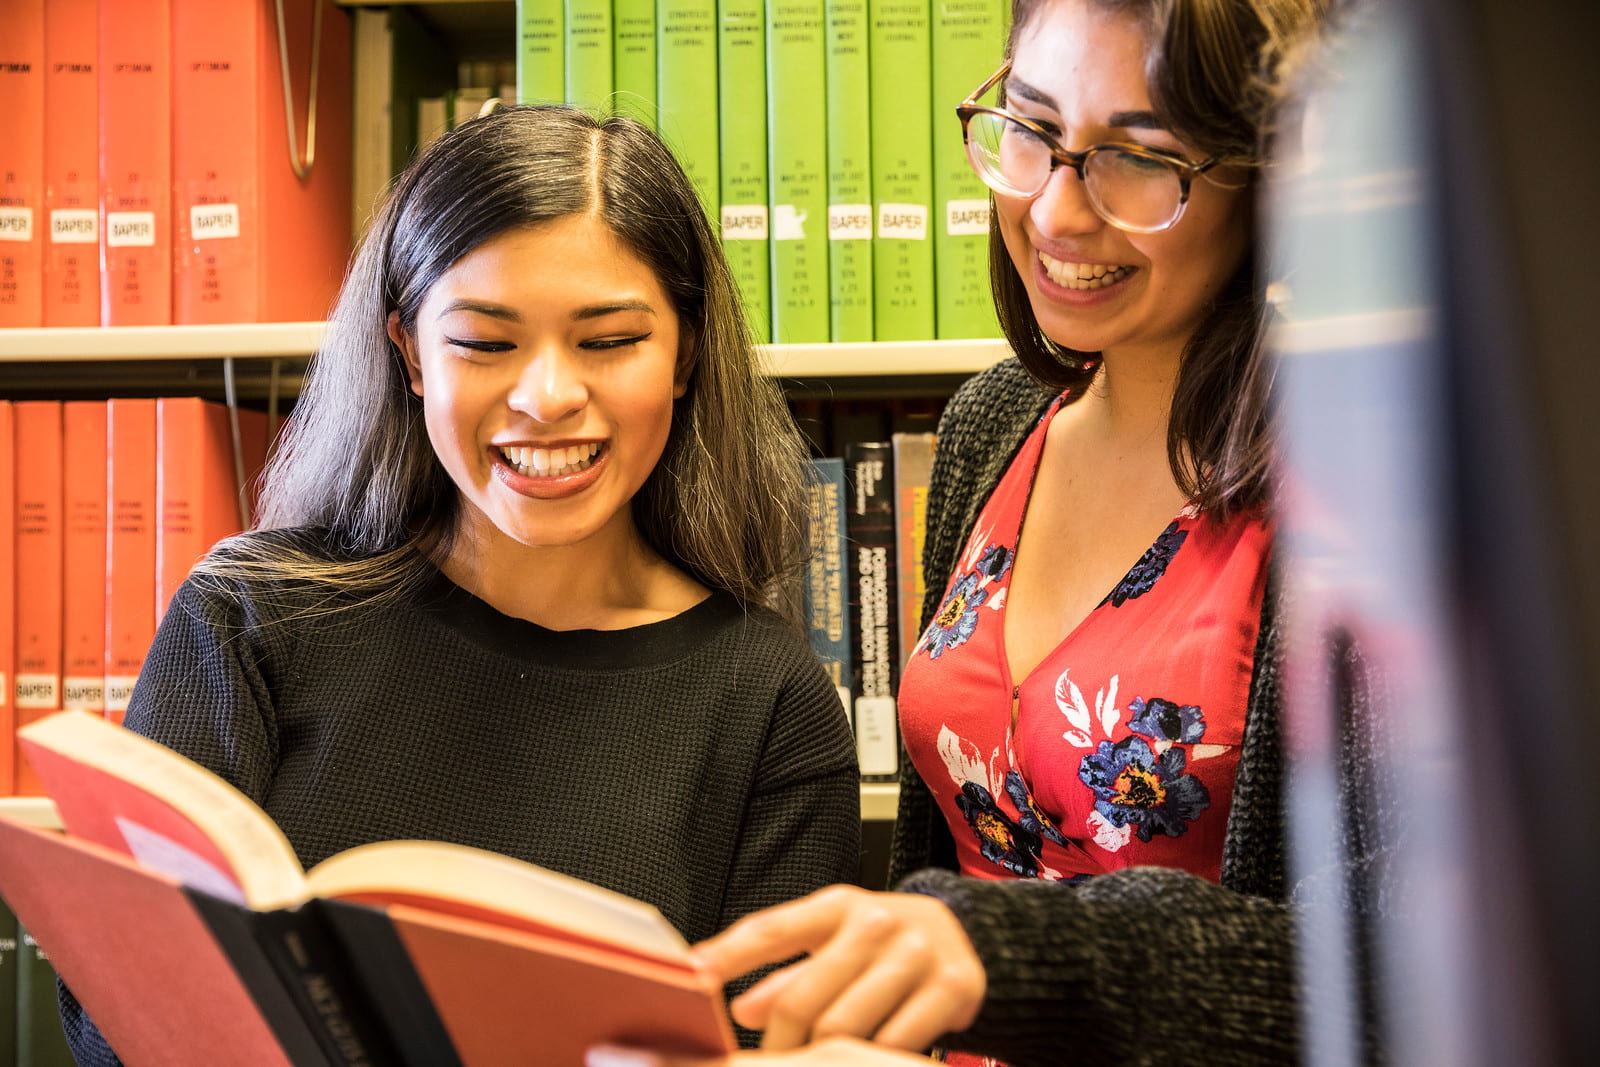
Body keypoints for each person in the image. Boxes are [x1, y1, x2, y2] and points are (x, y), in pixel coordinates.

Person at [588, 0, 1347, 1064]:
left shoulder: (1353, 486)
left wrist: (1010, 949)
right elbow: (934, 864)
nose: (1057, 211)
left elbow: (1386, 970)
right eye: (1031, 131)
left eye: (1137, 157)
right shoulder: (990, 426)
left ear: (1263, 176)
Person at [60, 104, 860, 1063]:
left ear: (685, 353)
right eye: (485, 343)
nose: (548, 396)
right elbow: (109, 1015)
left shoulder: (769, 701)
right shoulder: (251, 621)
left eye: (608, 341)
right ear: (408, 353)